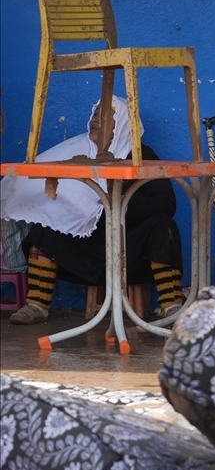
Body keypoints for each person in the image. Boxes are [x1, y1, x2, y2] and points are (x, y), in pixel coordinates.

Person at [1, 97, 185, 324]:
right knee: (46, 225)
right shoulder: (75, 151)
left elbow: (167, 204)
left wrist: (119, 203)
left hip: (132, 248)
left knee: (162, 226)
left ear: (124, 122)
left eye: (105, 114)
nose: (95, 119)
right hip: (88, 246)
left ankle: (171, 305)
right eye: (95, 113)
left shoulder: (142, 156)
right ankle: (37, 305)